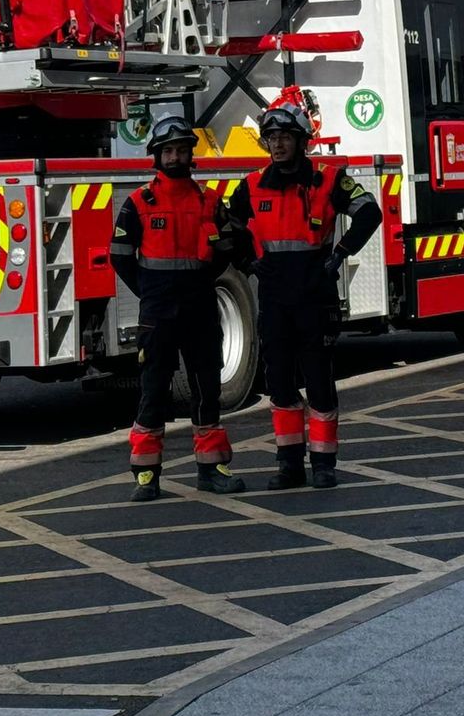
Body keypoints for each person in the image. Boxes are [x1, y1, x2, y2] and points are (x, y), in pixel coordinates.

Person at [229, 102, 381, 489]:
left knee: (318, 380)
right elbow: (226, 228)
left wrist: (340, 255)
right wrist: (248, 262)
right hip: (276, 296)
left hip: (316, 294)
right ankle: (289, 465)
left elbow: (369, 212)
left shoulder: (329, 180)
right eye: (271, 138)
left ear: (301, 140)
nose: (277, 145)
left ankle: (325, 464)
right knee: (278, 381)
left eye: (284, 137)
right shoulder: (250, 185)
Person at [110, 115, 246, 500]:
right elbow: (120, 255)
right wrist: (149, 291)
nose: (175, 157)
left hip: (200, 307)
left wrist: (201, 280)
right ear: (157, 156)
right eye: (168, 151)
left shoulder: (210, 200)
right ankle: (146, 475)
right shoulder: (138, 202)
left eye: (182, 150)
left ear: (191, 154)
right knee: (153, 391)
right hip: (158, 312)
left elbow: (226, 251)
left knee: (207, 389)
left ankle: (212, 468)